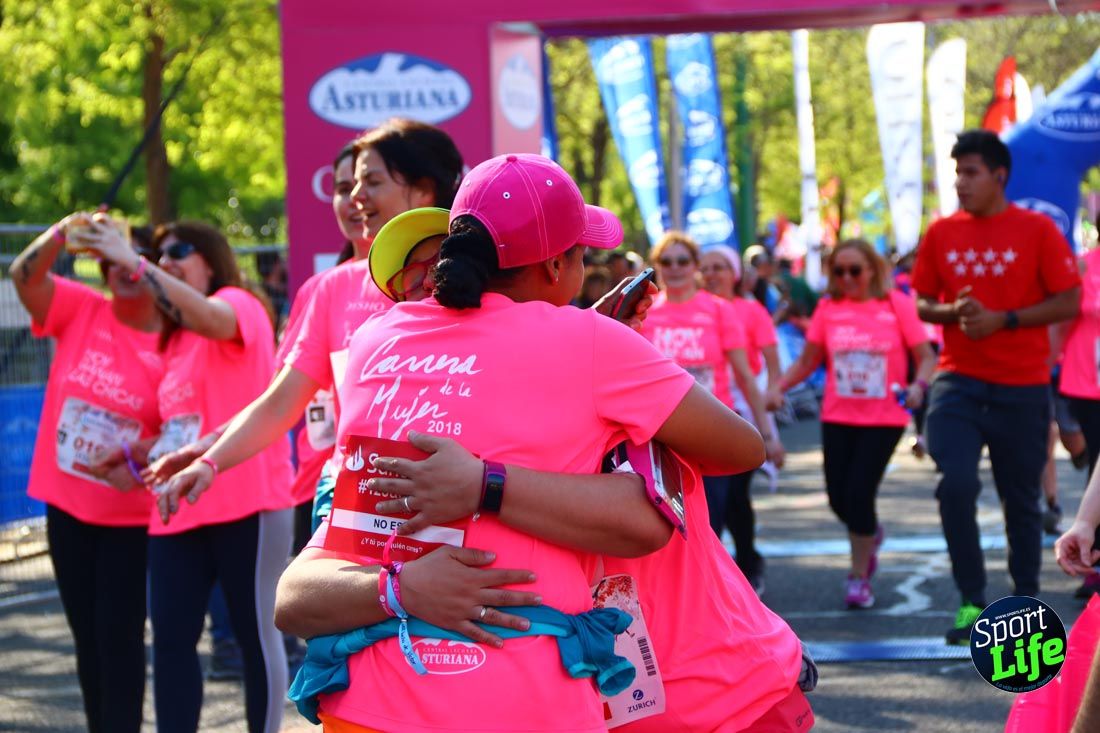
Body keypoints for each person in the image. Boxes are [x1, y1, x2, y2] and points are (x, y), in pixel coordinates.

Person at [272, 154, 778, 731]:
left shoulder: (374, 338)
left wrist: (401, 589)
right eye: (582, 255)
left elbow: (304, 584)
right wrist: (616, 377)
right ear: (558, 263)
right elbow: (740, 448)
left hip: (367, 702)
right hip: (520, 698)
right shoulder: (593, 342)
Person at [83, 219, 295, 733]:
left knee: (256, 638)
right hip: (177, 510)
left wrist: (132, 261)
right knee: (172, 645)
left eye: (178, 251)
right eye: (159, 255)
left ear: (211, 258)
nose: (165, 261)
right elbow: (183, 428)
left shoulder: (238, 302)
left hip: (248, 502)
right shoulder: (173, 342)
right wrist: (133, 455)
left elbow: (213, 320)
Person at [912, 129, 1081, 644]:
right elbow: (922, 303)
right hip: (957, 382)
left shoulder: (1037, 230)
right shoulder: (941, 232)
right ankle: (970, 602)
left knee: (1021, 499)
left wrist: (1003, 319)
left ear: (999, 175)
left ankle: (1025, 604)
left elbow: (1069, 301)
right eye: (957, 173)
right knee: (956, 484)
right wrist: (953, 312)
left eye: (971, 173)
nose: (960, 183)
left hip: (1021, 385)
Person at [10, 215, 162, 733]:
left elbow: (190, 423)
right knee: (87, 641)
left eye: (132, 257)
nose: (122, 268)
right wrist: (63, 231)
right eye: (109, 259)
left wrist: (139, 453)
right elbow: (22, 275)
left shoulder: (174, 339)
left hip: (130, 519)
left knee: (119, 641)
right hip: (67, 509)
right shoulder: (82, 307)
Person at [768, 239, 935, 609]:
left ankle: (859, 576)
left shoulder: (896, 305)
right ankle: (869, 532)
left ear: (872, 270)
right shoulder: (828, 308)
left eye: (854, 270)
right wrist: (777, 387)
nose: (846, 278)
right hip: (838, 415)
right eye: (839, 271)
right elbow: (808, 362)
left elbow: (926, 357)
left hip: (885, 417)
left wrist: (919, 387)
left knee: (859, 494)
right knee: (838, 498)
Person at [642, 232, 784, 595]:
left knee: (714, 519)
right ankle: (688, 597)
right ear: (657, 266)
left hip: (710, 433)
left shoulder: (718, 310)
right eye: (667, 262)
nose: (675, 268)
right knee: (670, 525)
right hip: (660, 436)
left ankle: (721, 592)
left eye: (682, 261)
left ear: (694, 267)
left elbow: (745, 377)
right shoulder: (646, 312)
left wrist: (767, 434)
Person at [699, 243, 783, 594]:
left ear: (734, 273)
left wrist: (774, 390)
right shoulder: (692, 310)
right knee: (709, 500)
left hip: (745, 406)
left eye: (720, 267)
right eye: (707, 267)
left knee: (734, 495)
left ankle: (748, 562)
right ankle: (716, 575)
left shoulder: (750, 310)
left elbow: (772, 360)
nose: (712, 274)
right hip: (703, 409)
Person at [1054, 218, 1100, 597]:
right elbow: (1062, 321)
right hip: (1087, 381)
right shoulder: (1084, 266)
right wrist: (1084, 522)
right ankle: (1094, 557)